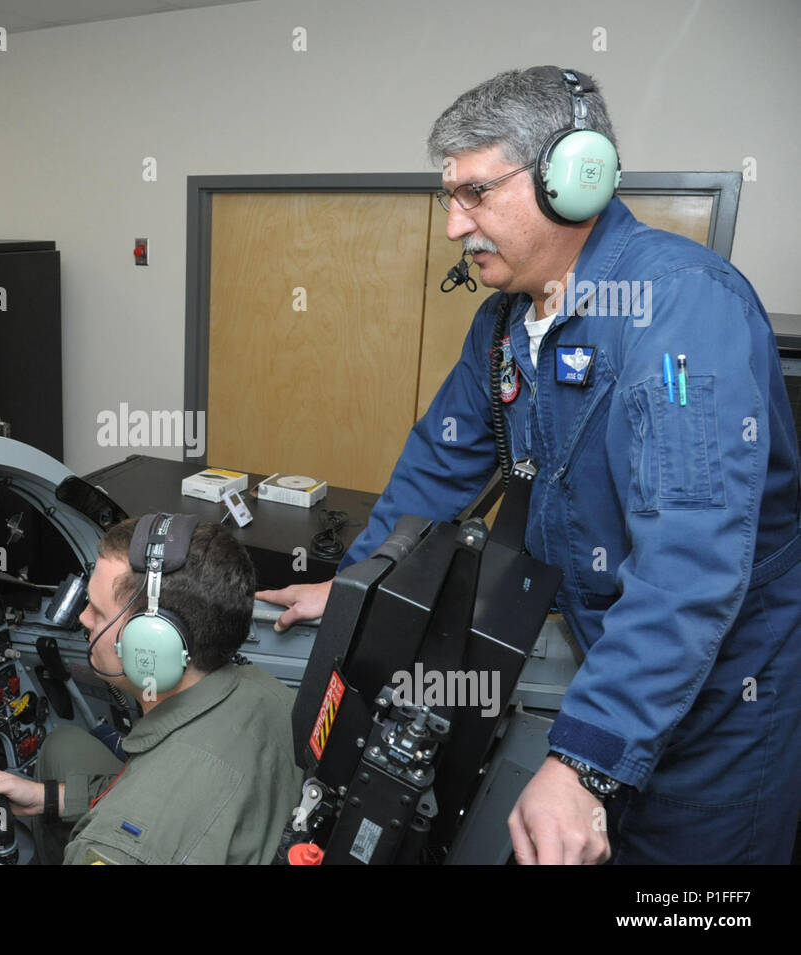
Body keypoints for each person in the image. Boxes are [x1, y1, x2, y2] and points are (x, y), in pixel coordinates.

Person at [259, 66, 801, 865]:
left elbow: (692, 563)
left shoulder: (684, 307)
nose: (453, 226)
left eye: (475, 193)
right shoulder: (506, 323)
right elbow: (436, 467)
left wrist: (585, 758)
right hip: (610, 657)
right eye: (450, 197)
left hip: (721, 700)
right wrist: (356, 583)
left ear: (572, 180)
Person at [0, 513, 304, 864]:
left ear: (153, 643)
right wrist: (49, 798)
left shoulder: (111, 852)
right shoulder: (269, 692)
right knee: (64, 745)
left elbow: (148, 817)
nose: (83, 618)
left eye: (98, 612)